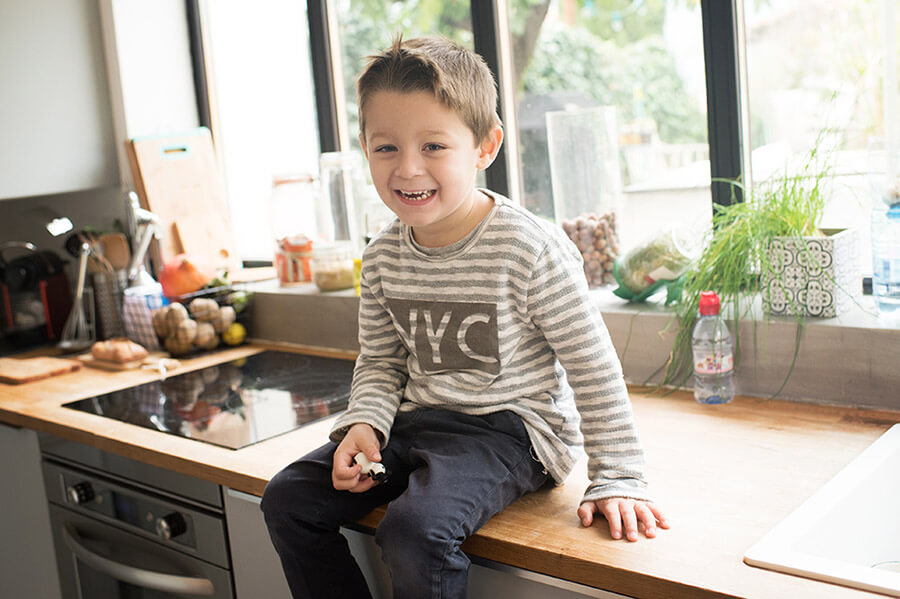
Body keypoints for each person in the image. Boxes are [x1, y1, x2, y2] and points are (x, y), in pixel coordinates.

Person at [261, 35, 669, 599]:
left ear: (485, 146)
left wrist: (619, 475)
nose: (408, 169)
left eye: (433, 146)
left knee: (414, 532)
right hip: (417, 421)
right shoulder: (382, 256)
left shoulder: (529, 249)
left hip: (511, 432)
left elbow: (592, 366)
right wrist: (365, 425)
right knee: (288, 499)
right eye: (386, 149)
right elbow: (382, 361)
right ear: (364, 148)